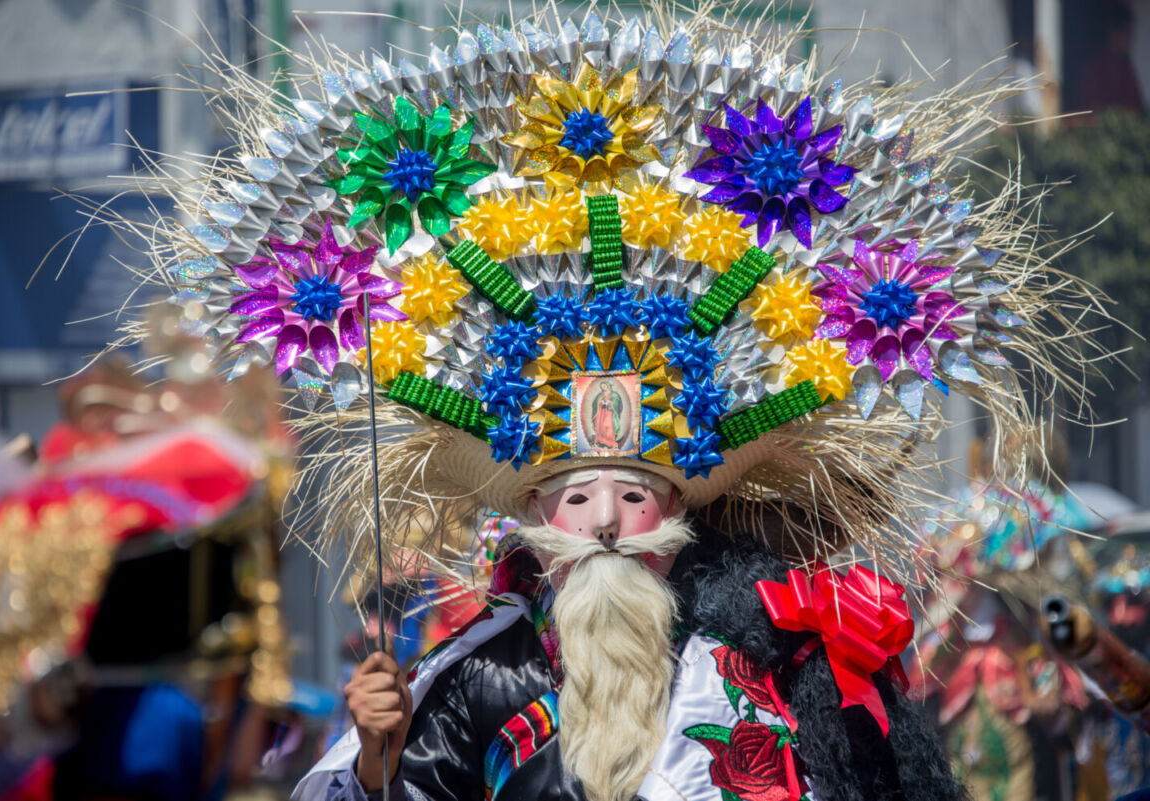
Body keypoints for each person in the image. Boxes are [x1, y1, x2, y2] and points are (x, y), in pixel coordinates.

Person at [92, 4, 1114, 801]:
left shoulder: (765, 645)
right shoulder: (482, 674)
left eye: (633, 495)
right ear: (536, 523)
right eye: (580, 500)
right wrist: (372, 753)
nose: (610, 525)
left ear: (677, 516)